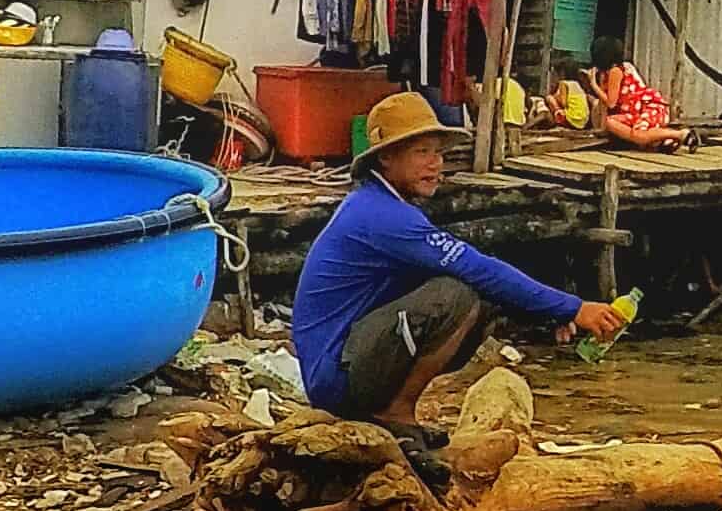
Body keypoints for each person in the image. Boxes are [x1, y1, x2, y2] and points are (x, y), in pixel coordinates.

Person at [291, 93, 626, 455]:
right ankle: (395, 413)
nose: (436, 164)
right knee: (456, 293)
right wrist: (572, 307)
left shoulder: (382, 204)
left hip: (348, 359)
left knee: (482, 297)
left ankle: (391, 413)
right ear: (386, 157)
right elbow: (476, 266)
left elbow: (482, 276)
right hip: (334, 377)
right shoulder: (380, 215)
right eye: (422, 153)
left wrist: (549, 313)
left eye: (439, 154)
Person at [586, 36, 688, 151]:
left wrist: (593, 84)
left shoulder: (616, 71)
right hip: (633, 112)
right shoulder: (614, 71)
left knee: (638, 135)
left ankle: (678, 134)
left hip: (646, 108)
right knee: (611, 123)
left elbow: (611, 103)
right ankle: (666, 140)